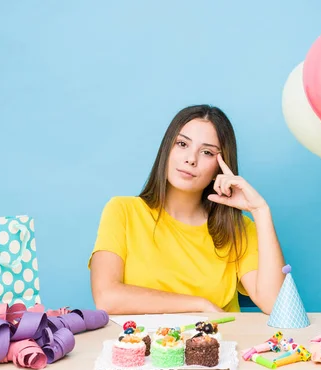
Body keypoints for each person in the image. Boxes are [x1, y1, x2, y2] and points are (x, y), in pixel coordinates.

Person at [88, 104, 286, 315]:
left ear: (219, 168)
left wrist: (260, 210)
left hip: (220, 344)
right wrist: (199, 304)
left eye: (207, 152)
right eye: (182, 144)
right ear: (167, 150)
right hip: (141, 346)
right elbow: (106, 297)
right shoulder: (123, 211)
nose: (191, 159)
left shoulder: (238, 229)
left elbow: (276, 306)